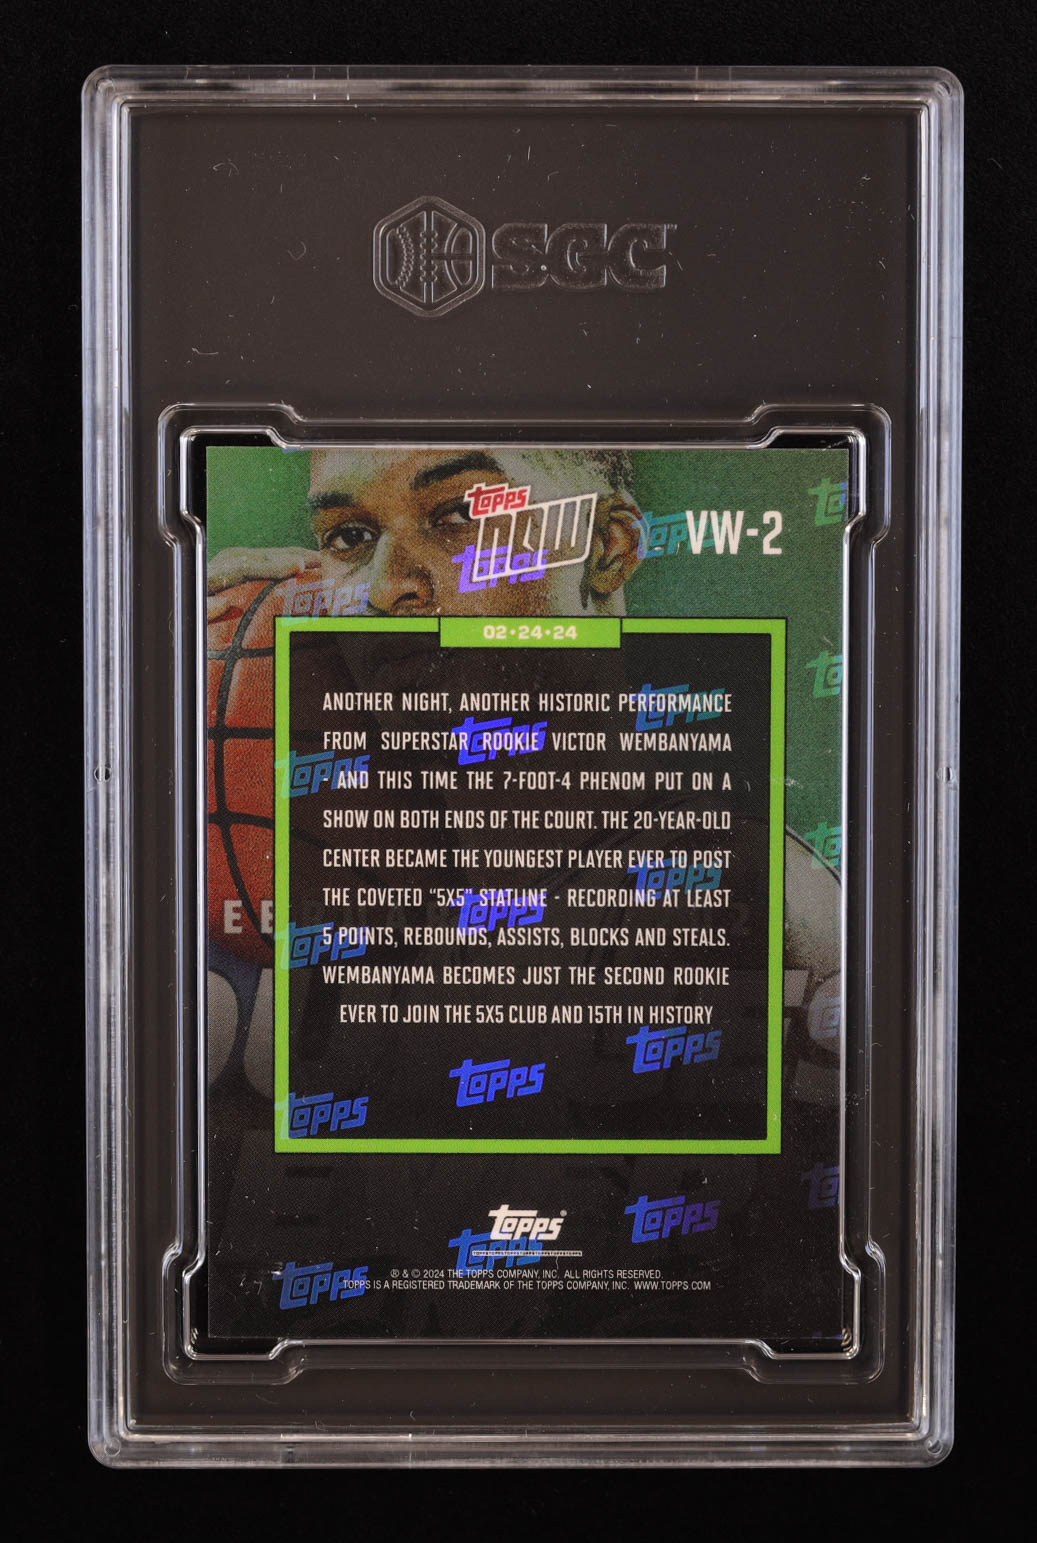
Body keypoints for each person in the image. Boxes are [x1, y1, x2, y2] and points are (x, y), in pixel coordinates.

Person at [203, 445, 845, 1345]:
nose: (387, 588)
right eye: (350, 536)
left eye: (459, 518)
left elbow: (798, 1330)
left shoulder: (766, 911)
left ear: (608, 550)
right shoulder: (251, 887)